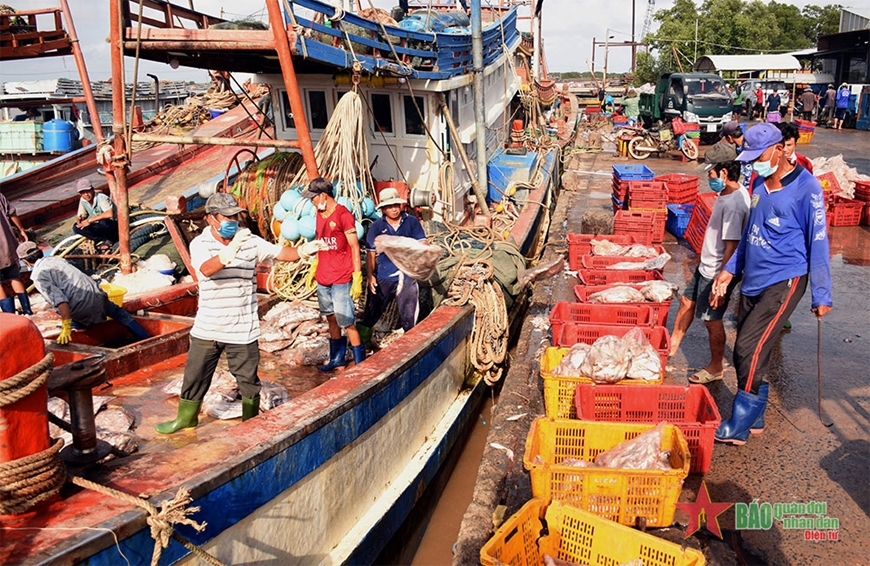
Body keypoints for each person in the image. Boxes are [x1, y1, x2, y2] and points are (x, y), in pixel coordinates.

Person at [155, 193, 327, 434]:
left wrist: (304, 250)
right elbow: (206, 269)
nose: (233, 220)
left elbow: (279, 253)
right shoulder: (200, 244)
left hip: (242, 327)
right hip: (209, 326)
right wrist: (229, 252)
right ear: (210, 219)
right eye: (227, 216)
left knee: (248, 380)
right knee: (195, 375)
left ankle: (250, 422)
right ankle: (186, 419)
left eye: (235, 216)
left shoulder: (250, 241)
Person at [710, 123, 832, 445]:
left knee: (747, 347)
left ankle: (739, 422)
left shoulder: (808, 188)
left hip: (786, 279)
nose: (754, 164)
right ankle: (757, 416)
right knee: (753, 352)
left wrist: (822, 293)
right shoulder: (759, 184)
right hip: (753, 279)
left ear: (780, 149)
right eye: (749, 158)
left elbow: (818, 242)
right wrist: (729, 271)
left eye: (759, 156)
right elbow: (752, 234)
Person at [670, 147, 750, 383]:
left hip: (716, 270)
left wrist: (721, 280)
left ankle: (716, 366)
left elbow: (732, 246)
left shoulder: (734, 204)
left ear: (724, 172)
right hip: (707, 264)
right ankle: (672, 345)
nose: (709, 179)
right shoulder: (727, 194)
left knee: (711, 319)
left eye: (711, 175)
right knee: (686, 301)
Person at [17, 241, 151, 344]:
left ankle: (80, 323)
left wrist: (66, 326)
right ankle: (147, 338)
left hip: (81, 307)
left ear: (25, 262)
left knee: (58, 308)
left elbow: (61, 302)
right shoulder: (56, 260)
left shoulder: (39, 276)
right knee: (122, 315)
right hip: (99, 296)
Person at [303, 177, 366, 372]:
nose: (311, 201)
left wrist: (357, 276)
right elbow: (320, 241)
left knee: (346, 321)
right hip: (324, 276)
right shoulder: (318, 214)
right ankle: (336, 358)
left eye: (312, 198)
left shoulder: (344, 215)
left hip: (341, 276)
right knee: (330, 317)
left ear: (323, 195)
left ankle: (360, 363)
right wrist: (314, 265)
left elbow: (355, 247)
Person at [357, 188, 427, 348]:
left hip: (407, 276)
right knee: (371, 311)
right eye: (390, 206)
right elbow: (370, 254)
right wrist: (371, 276)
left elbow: (423, 243)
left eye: (396, 205)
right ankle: (362, 345)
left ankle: (410, 348)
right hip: (384, 275)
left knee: (409, 315)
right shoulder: (376, 227)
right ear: (383, 209)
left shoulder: (411, 222)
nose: (394, 209)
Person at [0, 193, 31, 314]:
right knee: (14, 277)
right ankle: (28, 311)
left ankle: (10, 316)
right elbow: (11, 213)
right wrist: (21, 230)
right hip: (7, 245)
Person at [73, 178, 119, 244]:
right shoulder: (83, 200)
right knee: (76, 227)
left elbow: (109, 214)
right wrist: (80, 220)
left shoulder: (101, 198)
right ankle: (102, 239)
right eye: (83, 193)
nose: (86, 194)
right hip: (99, 225)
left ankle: (112, 239)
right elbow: (82, 215)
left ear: (92, 190)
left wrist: (89, 220)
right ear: (80, 194)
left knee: (103, 223)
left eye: (88, 191)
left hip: (114, 224)